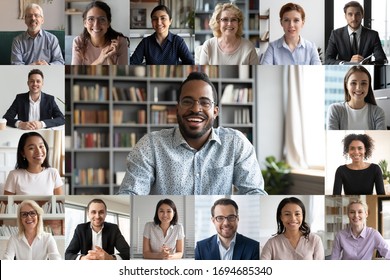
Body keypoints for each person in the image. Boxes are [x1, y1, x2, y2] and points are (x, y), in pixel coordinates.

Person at [117, 72, 266, 195]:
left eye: (205, 102)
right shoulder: (150, 145)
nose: (195, 109)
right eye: (187, 101)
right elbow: (131, 194)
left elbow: (255, 193)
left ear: (215, 112)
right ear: (177, 109)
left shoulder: (235, 143)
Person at [195, 198, 259, 260]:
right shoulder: (201, 248)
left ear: (238, 219)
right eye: (220, 218)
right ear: (213, 221)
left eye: (231, 217)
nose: (226, 223)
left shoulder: (254, 247)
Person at [65, 198, 130, 260]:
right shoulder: (80, 229)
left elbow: (128, 252)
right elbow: (68, 254)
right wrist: (83, 258)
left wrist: (110, 258)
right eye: (93, 212)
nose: (97, 216)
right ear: (88, 214)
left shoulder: (113, 229)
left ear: (105, 214)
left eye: (101, 212)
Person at [327, 66, 386, 130]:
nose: (358, 88)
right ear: (346, 85)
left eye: (363, 83)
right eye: (353, 83)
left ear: (369, 86)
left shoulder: (378, 112)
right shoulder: (335, 110)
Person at [72, 1, 129, 65]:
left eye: (102, 19)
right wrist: (100, 59)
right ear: (85, 23)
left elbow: (121, 74)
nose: (96, 25)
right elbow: (74, 74)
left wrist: (108, 57)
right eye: (91, 19)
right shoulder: (78, 42)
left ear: (108, 23)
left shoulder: (120, 42)